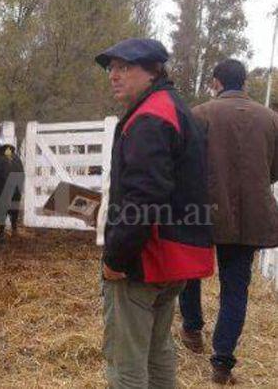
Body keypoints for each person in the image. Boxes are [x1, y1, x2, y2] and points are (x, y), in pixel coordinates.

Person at [95, 38, 214, 388]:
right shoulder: (174, 108)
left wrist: (116, 258)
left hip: (144, 259)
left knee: (125, 359)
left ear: (153, 71)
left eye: (125, 68)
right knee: (158, 348)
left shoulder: (149, 118)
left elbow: (144, 197)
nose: (114, 76)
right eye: (111, 68)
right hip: (173, 258)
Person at [178, 59, 278, 385]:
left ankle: (192, 329)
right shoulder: (271, 119)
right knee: (236, 289)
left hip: (204, 212)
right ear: (244, 82)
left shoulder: (199, 114)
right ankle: (222, 363)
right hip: (250, 216)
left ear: (216, 82)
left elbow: (186, 164)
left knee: (191, 270)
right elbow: (273, 170)